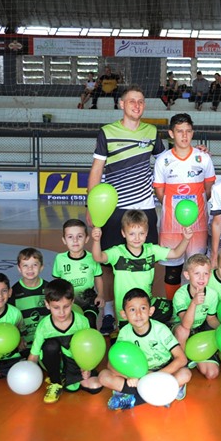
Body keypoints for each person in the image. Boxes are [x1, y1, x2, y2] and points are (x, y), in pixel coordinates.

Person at [88, 85, 165, 326]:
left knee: (147, 261)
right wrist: (91, 208)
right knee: (111, 263)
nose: (137, 105)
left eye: (141, 101)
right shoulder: (107, 132)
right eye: (132, 101)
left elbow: (167, 161)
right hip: (115, 209)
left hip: (145, 208)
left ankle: (145, 308)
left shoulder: (151, 132)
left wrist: (195, 151)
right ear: (122, 104)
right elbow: (97, 170)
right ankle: (110, 311)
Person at [91, 210, 193, 336]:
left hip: (147, 304)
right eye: (132, 234)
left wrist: (186, 239)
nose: (137, 238)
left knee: (175, 308)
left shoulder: (151, 250)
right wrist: (96, 241)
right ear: (123, 233)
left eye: (141, 233)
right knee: (131, 337)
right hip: (126, 310)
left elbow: (176, 253)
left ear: (146, 234)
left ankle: (168, 331)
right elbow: (98, 257)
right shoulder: (117, 253)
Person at [153, 113, 215, 299]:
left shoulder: (203, 159)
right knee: (173, 271)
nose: (184, 135)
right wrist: (175, 212)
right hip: (171, 226)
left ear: (192, 132)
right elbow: (160, 193)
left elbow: (208, 190)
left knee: (196, 270)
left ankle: (194, 308)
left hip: (198, 225)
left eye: (188, 131)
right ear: (171, 133)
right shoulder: (163, 160)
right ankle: (174, 309)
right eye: (180, 131)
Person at [100, 288, 192, 410]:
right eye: (132, 310)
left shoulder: (160, 330)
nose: (138, 314)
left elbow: (182, 359)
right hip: (139, 374)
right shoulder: (124, 333)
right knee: (104, 376)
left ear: (151, 311)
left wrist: (156, 376)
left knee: (185, 374)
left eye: (143, 308)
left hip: (163, 371)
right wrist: (129, 377)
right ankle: (162, 395)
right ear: (124, 314)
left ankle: (134, 400)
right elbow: (112, 365)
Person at [28, 279, 104, 404]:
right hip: (54, 360)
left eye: (66, 306)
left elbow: (88, 348)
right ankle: (56, 381)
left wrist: (86, 368)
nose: (62, 312)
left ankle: (68, 377)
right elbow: (34, 354)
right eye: (56, 307)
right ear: (47, 304)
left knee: (95, 387)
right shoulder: (44, 326)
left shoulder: (82, 322)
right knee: (50, 345)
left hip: (74, 361)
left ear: (72, 302)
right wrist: (28, 373)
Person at [170, 254, 220, 381]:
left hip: (198, 330)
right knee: (183, 331)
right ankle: (181, 361)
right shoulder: (180, 294)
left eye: (206, 273)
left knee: (211, 373)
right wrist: (193, 303)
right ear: (187, 275)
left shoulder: (213, 294)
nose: (202, 278)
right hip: (181, 331)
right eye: (197, 273)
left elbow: (211, 318)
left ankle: (194, 355)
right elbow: (186, 325)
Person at [52, 218, 103, 330]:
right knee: (72, 325)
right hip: (68, 301)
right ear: (64, 240)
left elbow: (98, 277)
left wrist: (100, 295)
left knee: (90, 321)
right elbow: (56, 282)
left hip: (88, 298)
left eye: (79, 236)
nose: (75, 240)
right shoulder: (60, 259)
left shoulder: (92, 258)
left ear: (86, 239)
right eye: (70, 237)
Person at [9, 248, 48, 348]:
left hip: (46, 339)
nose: (30, 269)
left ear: (41, 267)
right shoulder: (13, 292)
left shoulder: (49, 289)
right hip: (24, 344)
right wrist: (18, 338)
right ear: (19, 268)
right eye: (25, 265)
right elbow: (11, 319)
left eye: (34, 265)